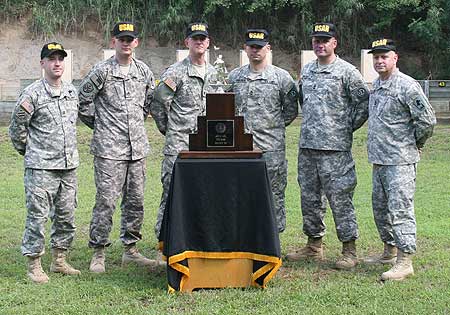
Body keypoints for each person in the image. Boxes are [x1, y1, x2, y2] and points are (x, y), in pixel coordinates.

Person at [286, 22, 369, 269]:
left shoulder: (347, 72)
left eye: (325, 40)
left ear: (335, 43)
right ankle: (314, 246)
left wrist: (343, 129)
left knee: (340, 200)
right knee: (309, 199)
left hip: (336, 150)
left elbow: (363, 105)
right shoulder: (308, 70)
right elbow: (303, 101)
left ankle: (349, 250)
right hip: (308, 148)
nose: (320, 44)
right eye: (316, 40)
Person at [78, 21, 157, 273]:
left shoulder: (144, 71)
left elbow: (148, 103)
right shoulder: (101, 71)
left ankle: (130, 250)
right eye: (121, 39)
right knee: (106, 202)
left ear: (136, 42)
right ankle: (98, 252)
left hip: (137, 150)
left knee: (135, 201)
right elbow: (83, 102)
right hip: (108, 150)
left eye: (130, 39)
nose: (126, 43)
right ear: (113, 42)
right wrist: (102, 127)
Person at [364, 38, 436, 281]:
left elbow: (427, 121)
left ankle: (405, 261)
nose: (379, 60)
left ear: (395, 58)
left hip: (400, 161)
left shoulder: (407, 85)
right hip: (379, 160)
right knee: (381, 210)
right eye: (376, 57)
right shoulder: (377, 84)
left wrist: (416, 144)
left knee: (400, 210)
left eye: (384, 56)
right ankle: (389, 252)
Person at [9, 42, 81, 283]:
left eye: (60, 58)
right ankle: (34, 264)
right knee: (37, 217)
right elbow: (17, 131)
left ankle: (59, 260)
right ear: (42, 64)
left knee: (66, 216)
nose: (57, 63)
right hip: (41, 168)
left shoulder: (72, 92)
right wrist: (33, 155)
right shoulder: (32, 94)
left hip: (68, 166)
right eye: (51, 59)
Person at [150, 22, 218, 240]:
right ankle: (165, 244)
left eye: (203, 38)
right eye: (194, 38)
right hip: (179, 147)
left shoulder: (216, 74)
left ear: (208, 42)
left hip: (208, 147)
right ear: (186, 42)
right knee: (171, 195)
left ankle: (197, 242)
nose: (199, 41)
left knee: (204, 195)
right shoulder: (175, 72)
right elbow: (158, 103)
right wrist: (170, 131)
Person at [227, 29, 299, 233]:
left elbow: (291, 110)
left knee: (273, 196)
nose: (255, 50)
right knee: (241, 194)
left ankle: (273, 243)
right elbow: (226, 108)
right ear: (245, 49)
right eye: (252, 47)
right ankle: (244, 239)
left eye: (260, 47)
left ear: (268, 48)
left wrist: (271, 129)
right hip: (240, 149)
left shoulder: (281, 78)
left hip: (271, 150)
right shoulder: (235, 77)